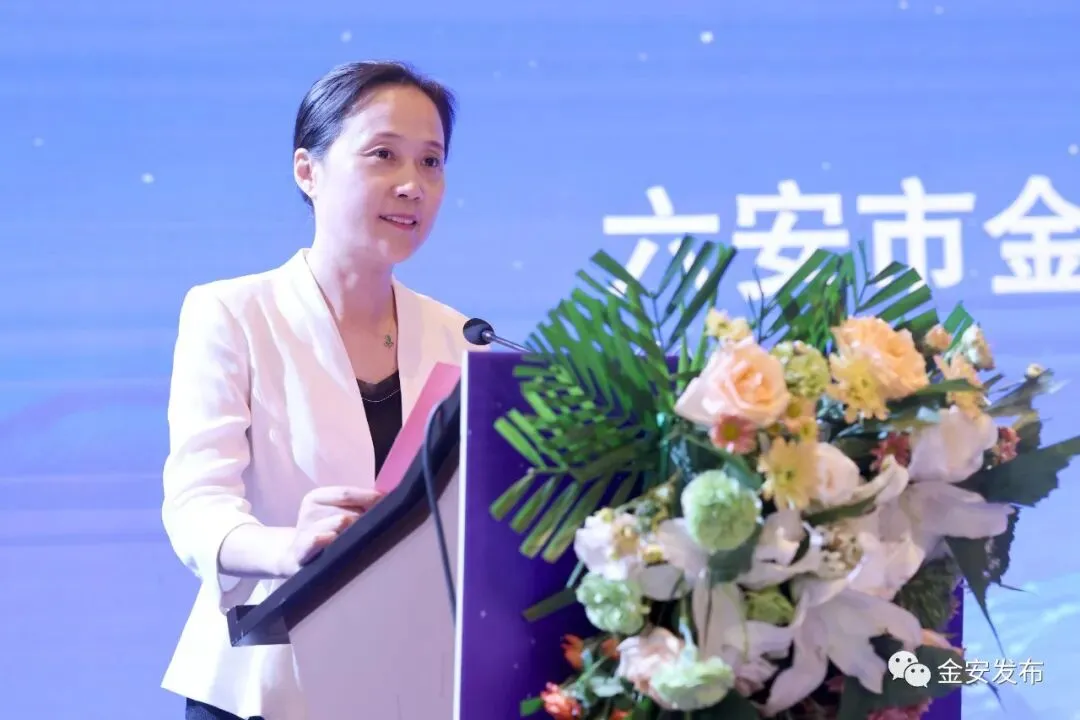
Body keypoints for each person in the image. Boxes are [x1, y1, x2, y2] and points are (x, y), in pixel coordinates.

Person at [159, 61, 483, 720]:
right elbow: (196, 504)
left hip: (411, 686)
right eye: (383, 155)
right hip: (264, 684)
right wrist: (287, 548)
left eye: (431, 162)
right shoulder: (231, 313)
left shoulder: (461, 337)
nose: (412, 185)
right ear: (308, 171)